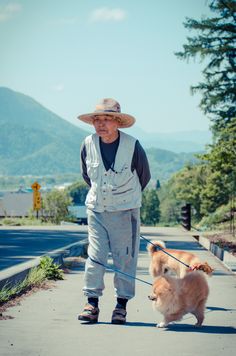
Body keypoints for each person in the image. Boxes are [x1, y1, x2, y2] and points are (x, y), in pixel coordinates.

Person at [77, 98, 151, 324]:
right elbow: (87, 176)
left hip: (126, 211)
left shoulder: (133, 145)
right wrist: (104, 196)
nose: (101, 124)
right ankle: (92, 304)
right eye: (97, 119)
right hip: (97, 210)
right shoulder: (87, 144)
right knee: (95, 256)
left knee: (125, 258)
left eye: (107, 119)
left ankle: (121, 306)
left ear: (117, 121)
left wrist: (123, 198)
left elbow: (144, 176)